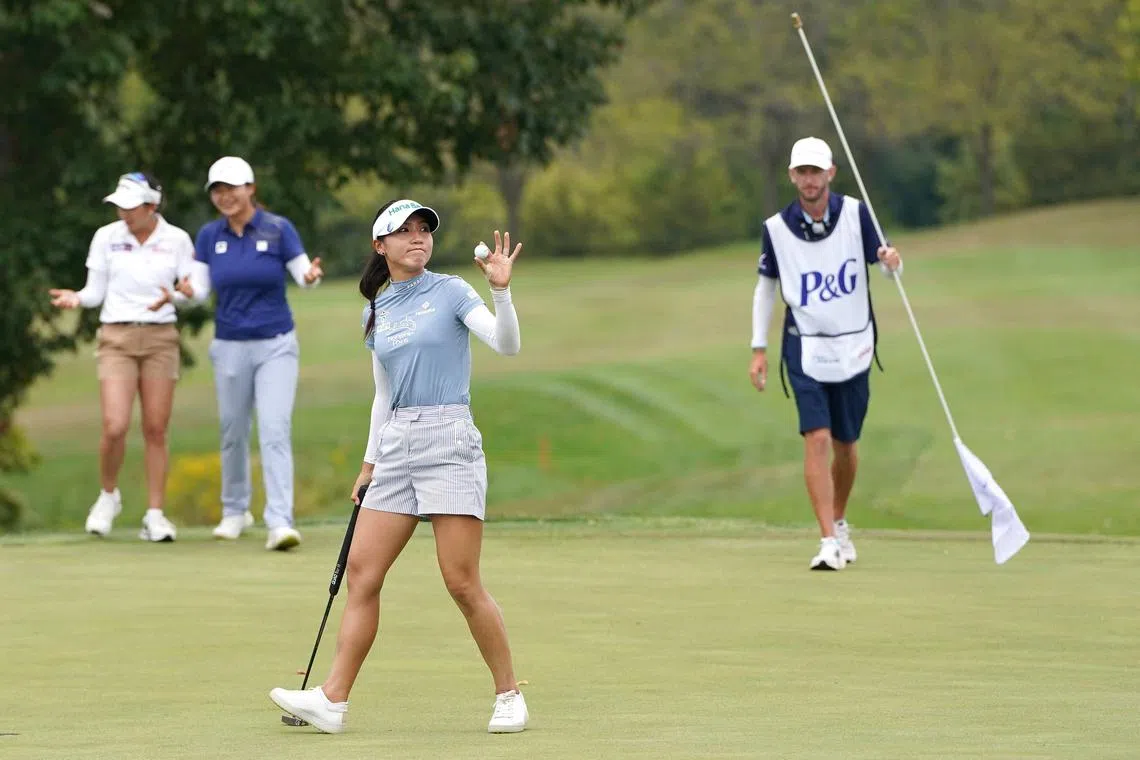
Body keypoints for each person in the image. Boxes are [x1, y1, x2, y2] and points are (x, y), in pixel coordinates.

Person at [269, 199, 528, 734]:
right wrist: (369, 464)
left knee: (460, 582)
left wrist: (501, 290)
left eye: (424, 231)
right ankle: (332, 702)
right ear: (380, 245)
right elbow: (382, 394)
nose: (418, 238)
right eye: (404, 231)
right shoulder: (376, 312)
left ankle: (509, 695)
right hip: (395, 447)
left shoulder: (452, 290)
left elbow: (506, 346)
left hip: (448, 438)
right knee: (363, 575)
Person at [748, 137, 902, 571]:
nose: (810, 179)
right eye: (803, 172)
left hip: (853, 344)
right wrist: (758, 349)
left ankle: (839, 518)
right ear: (792, 176)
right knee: (815, 437)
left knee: (845, 445)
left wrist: (893, 263)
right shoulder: (776, 229)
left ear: (830, 173)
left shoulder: (857, 213)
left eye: (817, 171)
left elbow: (887, 266)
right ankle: (827, 540)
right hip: (805, 344)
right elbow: (766, 288)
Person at [49, 172, 207, 542]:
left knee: (155, 428)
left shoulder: (177, 240)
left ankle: (155, 515)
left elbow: (192, 292)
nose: (123, 212)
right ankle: (109, 496)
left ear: (151, 206)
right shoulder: (106, 237)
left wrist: (182, 293)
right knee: (115, 425)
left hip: (160, 338)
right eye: (119, 205)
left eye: (130, 206)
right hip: (116, 337)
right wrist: (76, 298)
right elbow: (94, 292)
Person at [193, 156, 324, 551]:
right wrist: (184, 295)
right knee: (233, 430)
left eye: (231, 188)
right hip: (229, 344)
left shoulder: (278, 228)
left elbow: (304, 275)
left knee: (273, 427)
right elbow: (199, 290)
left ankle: (280, 521)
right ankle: (235, 510)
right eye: (217, 190)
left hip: (275, 344)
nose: (225, 196)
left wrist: (311, 278)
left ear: (250, 188)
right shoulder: (208, 236)